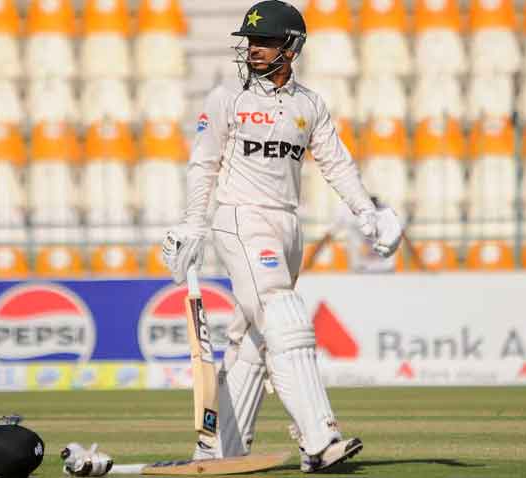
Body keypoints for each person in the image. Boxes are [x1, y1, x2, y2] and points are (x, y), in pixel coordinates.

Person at [162, 0, 402, 473]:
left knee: (252, 337)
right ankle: (320, 439)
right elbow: (203, 163)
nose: (253, 49)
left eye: (265, 41)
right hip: (239, 218)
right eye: (250, 41)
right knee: (283, 314)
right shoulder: (226, 98)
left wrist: (366, 210)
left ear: (291, 47)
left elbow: (336, 162)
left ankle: (220, 451)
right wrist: (193, 223)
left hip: (288, 225)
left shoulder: (309, 104)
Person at [304, 196, 423, 273]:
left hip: (385, 272)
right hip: (361, 272)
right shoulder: (347, 212)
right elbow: (326, 237)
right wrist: (307, 265)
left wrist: (421, 266)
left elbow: (404, 237)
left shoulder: (387, 213)